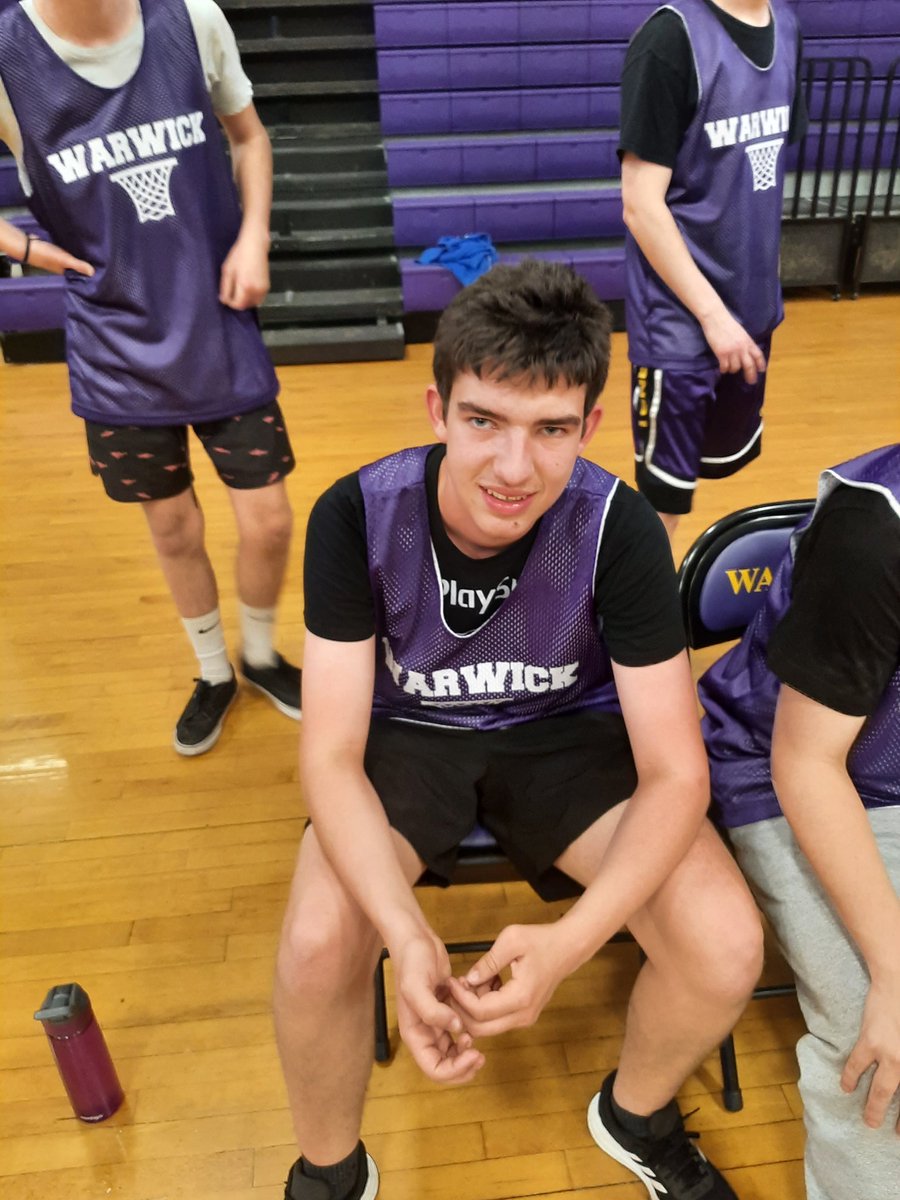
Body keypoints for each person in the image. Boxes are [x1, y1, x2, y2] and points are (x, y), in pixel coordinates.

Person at [273, 260, 764, 1200]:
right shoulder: (355, 513)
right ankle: (330, 1173)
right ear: (436, 408)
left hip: (565, 733)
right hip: (410, 732)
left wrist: (567, 946)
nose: (513, 466)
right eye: (484, 421)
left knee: (725, 942)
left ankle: (636, 1116)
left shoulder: (618, 527)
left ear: (591, 426)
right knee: (315, 944)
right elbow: (329, 753)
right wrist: (406, 936)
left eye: (550, 431)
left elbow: (675, 771)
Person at [0, 0, 301, 755]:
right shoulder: (8, 57)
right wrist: (26, 252)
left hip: (218, 322)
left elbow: (250, 139)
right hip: (117, 344)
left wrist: (255, 236)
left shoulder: (192, 18)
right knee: (172, 526)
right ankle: (212, 674)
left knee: (267, 520)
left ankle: (260, 655)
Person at [700, 444, 900, 1200]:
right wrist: (893, 969)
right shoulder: (877, 529)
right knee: (881, 1048)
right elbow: (807, 764)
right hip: (810, 776)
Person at [619, 0, 807, 539]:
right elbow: (640, 205)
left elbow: (757, 175)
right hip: (683, 323)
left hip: (750, 317)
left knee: (712, 474)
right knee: (662, 505)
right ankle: (626, 621)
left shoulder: (788, 28)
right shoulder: (669, 40)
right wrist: (712, 315)